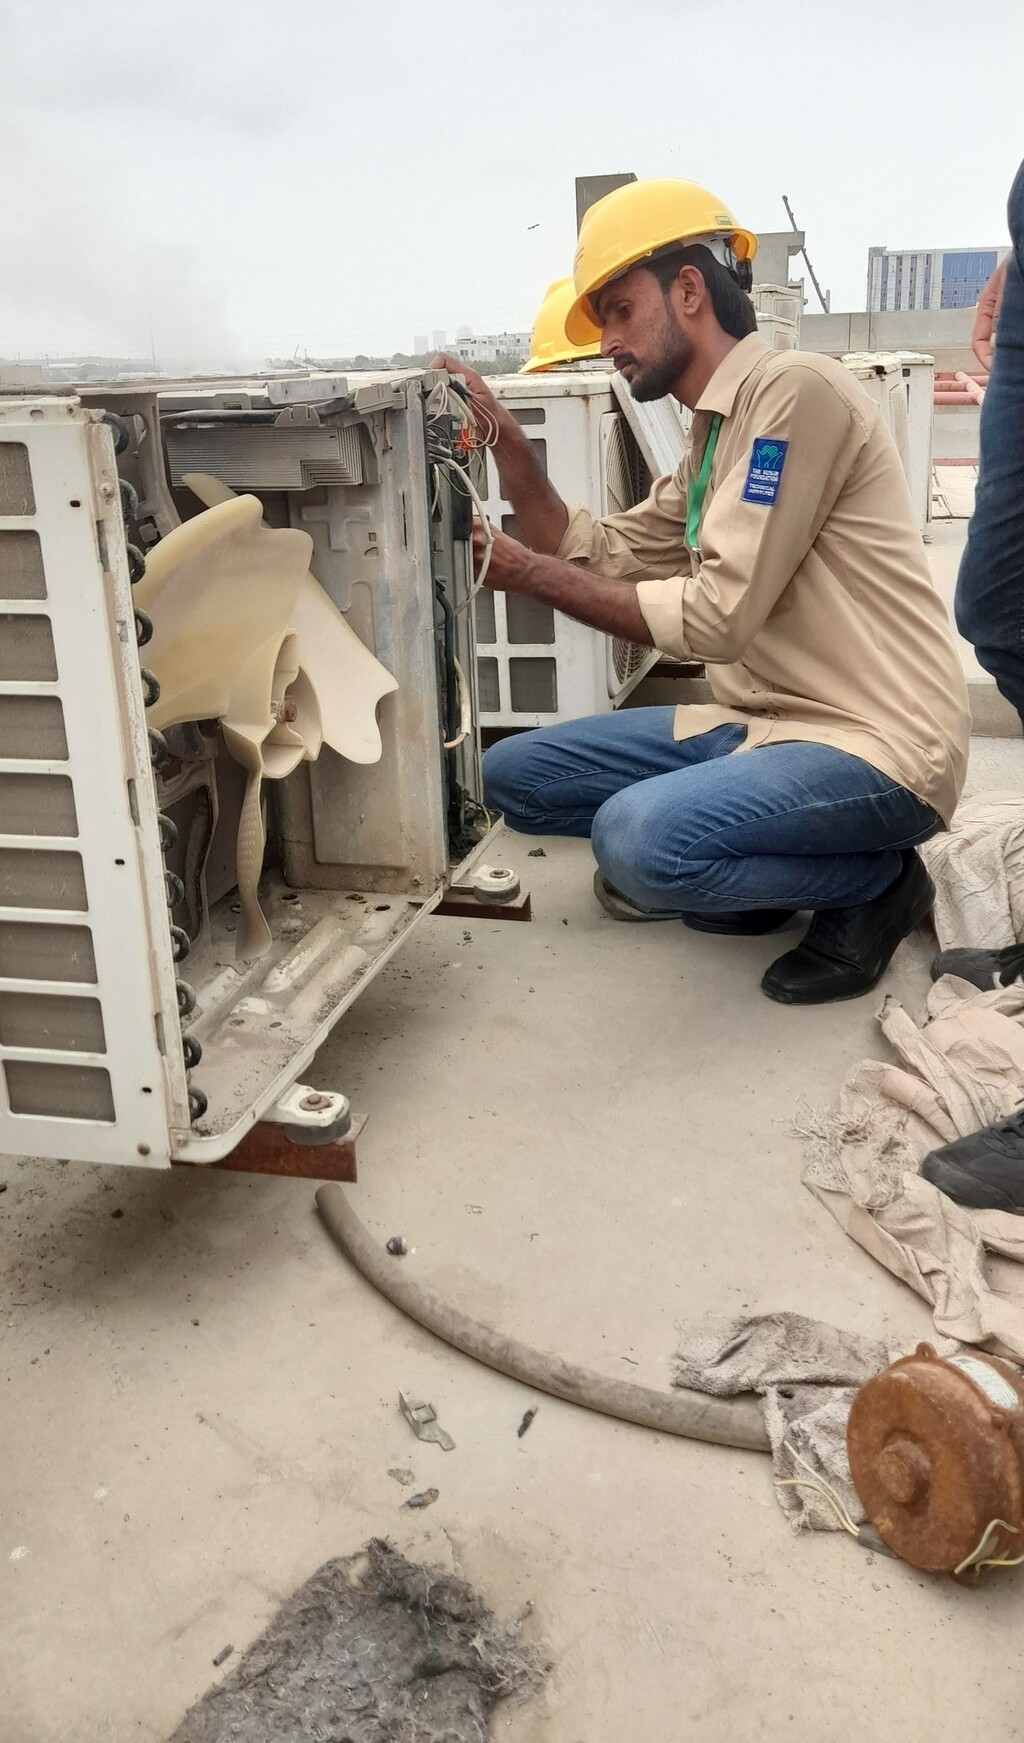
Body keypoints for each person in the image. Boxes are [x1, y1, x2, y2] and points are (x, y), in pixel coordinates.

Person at [438, 178, 970, 1006]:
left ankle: (878, 883)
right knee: (511, 776)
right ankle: (764, 864)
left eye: (620, 311)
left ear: (689, 291)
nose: (607, 341)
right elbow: (595, 550)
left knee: (636, 842)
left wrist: (527, 574)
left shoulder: (795, 395)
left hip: (874, 744)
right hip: (761, 726)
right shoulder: (713, 436)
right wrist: (506, 440)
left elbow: (718, 618)